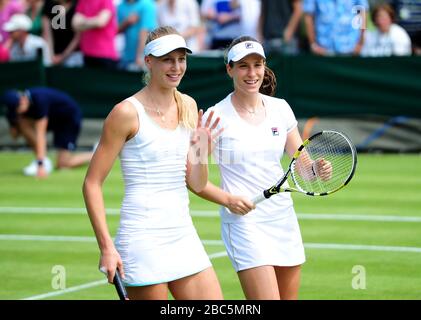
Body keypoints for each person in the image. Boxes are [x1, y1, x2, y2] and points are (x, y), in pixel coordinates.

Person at [82, 26, 223, 300]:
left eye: (181, 59)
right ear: (149, 61)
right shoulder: (125, 113)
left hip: (183, 234)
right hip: (141, 240)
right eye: (167, 59)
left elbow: (196, 183)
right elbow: (91, 184)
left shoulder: (190, 106)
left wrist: (201, 151)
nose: (176, 67)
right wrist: (107, 247)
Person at [194, 36, 331, 299]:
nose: (252, 73)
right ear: (229, 69)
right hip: (244, 223)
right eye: (243, 66)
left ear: (264, 67)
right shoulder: (214, 116)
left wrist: (317, 170)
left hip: (283, 218)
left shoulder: (281, 108)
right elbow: (195, 180)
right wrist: (227, 199)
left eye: (257, 65)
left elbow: (303, 168)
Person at [0, 87, 93, 177]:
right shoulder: (15, 111)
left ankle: (95, 154)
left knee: (63, 164)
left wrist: (41, 165)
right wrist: (14, 123)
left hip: (68, 120)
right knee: (23, 123)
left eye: (18, 107)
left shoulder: (40, 99)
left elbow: (41, 134)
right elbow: (15, 136)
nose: (18, 112)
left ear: (23, 99)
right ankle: (43, 160)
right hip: (52, 119)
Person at [303, 0, 369, 56]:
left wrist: (361, 43)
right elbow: (308, 16)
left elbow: (362, 13)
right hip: (323, 49)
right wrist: (313, 44)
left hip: (351, 48)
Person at [71, 0, 118, 69]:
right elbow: (74, 24)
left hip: (105, 56)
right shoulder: (83, 1)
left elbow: (100, 22)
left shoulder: (106, 1)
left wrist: (82, 21)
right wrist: (93, 21)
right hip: (87, 54)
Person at [117, 0, 157, 71]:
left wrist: (140, 57)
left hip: (145, 60)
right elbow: (116, 30)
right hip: (126, 58)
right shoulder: (120, 6)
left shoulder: (147, 4)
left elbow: (145, 32)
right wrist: (127, 22)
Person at [42, 0, 82, 67]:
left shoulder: (78, 4)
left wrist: (63, 56)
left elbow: (78, 36)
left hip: (73, 55)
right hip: (53, 54)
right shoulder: (49, 4)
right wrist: (51, 56)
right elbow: (47, 33)